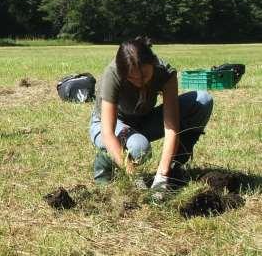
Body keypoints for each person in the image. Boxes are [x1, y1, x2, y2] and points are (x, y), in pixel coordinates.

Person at [89, 37, 213, 197]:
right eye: (133, 79)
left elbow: (171, 127)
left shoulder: (165, 73)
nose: (140, 82)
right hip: (110, 126)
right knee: (140, 148)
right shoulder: (113, 74)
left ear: (153, 62)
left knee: (202, 100)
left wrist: (162, 174)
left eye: (145, 76)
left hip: (143, 120)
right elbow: (108, 132)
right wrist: (134, 176)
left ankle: (174, 169)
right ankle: (105, 165)